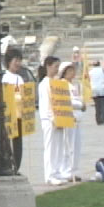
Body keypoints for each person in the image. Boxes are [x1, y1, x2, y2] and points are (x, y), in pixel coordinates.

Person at [38, 56, 65, 185]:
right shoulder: (44, 84)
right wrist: (52, 118)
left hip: (58, 117)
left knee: (58, 146)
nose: (57, 70)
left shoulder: (56, 82)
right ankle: (49, 174)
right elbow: (47, 103)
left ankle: (57, 171)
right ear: (48, 66)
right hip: (48, 119)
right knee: (50, 147)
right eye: (55, 67)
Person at [58, 62, 85, 182]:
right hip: (69, 117)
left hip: (77, 118)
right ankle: (66, 171)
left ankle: (74, 170)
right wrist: (80, 105)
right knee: (68, 146)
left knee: (76, 146)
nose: (72, 73)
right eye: (69, 71)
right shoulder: (62, 85)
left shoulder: (73, 85)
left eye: (73, 70)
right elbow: (67, 101)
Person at [2, 48, 25, 174]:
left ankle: (16, 166)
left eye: (19, 60)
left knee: (18, 143)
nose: (18, 63)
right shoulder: (4, 77)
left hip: (19, 115)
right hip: (8, 115)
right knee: (7, 142)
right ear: (9, 61)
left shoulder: (20, 78)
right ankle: (8, 166)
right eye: (16, 60)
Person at [88, 60, 104, 125]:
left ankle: (98, 119)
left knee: (97, 106)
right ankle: (102, 117)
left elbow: (88, 79)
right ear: (99, 64)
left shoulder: (90, 72)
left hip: (94, 90)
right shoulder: (103, 70)